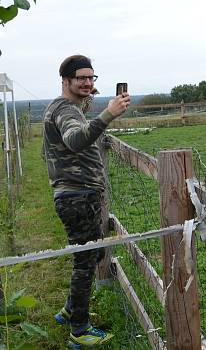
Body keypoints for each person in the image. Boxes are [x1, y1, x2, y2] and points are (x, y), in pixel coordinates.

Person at [42, 54, 130, 348]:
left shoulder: (69, 107)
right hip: (77, 196)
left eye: (92, 78)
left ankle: (70, 309)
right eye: (81, 78)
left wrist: (90, 106)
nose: (88, 83)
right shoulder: (65, 110)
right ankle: (79, 330)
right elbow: (76, 140)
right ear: (66, 80)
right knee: (86, 260)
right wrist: (108, 114)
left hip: (77, 193)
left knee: (88, 256)